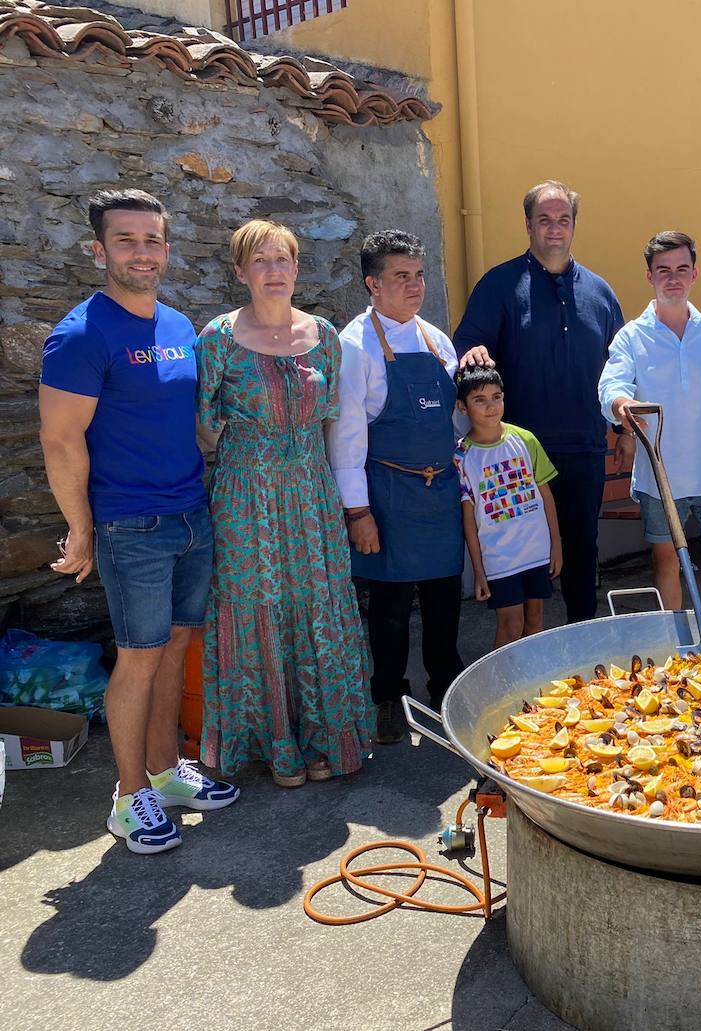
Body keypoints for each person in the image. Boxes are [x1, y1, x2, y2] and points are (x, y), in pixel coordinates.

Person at [39, 188, 237, 854]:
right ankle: (129, 799)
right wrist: (83, 528)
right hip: (132, 526)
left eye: (152, 239)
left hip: (191, 513)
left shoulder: (180, 327)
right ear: (100, 250)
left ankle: (164, 772)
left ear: (167, 249)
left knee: (175, 650)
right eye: (126, 240)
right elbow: (62, 440)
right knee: (138, 659)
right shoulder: (80, 334)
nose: (141, 251)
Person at [197, 220, 371, 787]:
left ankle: (323, 738)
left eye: (284, 261)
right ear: (241, 272)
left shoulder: (323, 335)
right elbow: (203, 429)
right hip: (246, 496)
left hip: (310, 490)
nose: (274, 272)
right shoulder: (217, 339)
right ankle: (274, 744)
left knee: (315, 602)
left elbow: (332, 422)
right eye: (261, 261)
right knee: (257, 606)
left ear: (297, 269)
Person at [456, 181, 627, 624]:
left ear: (574, 225)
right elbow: (467, 344)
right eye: (545, 220)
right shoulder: (498, 285)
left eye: (563, 220)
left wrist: (624, 432)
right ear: (528, 224)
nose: (555, 229)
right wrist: (472, 352)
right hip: (516, 456)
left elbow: (622, 369)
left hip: (585, 446)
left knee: (581, 548)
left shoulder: (601, 293)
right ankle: (530, 653)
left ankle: (583, 644)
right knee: (524, 558)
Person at [325, 231, 465, 745]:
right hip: (387, 495)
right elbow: (346, 437)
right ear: (373, 284)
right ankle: (387, 696)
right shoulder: (354, 345)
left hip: (440, 492)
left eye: (419, 275)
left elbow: (453, 423)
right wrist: (358, 513)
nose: (414, 286)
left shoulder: (436, 340)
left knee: (444, 600)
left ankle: (448, 689)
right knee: (388, 607)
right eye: (401, 277)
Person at [599, 231, 701, 610]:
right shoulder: (631, 337)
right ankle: (681, 657)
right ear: (650, 276)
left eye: (682, 269)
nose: (673, 278)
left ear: (695, 274)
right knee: (667, 565)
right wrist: (621, 406)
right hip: (659, 479)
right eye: (663, 270)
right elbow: (611, 385)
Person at [455, 367, 563, 647]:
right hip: (499, 558)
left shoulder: (525, 440)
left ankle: (533, 684)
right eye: (479, 400)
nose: (491, 406)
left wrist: (556, 545)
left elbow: (546, 496)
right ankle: (501, 686)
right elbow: (469, 520)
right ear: (462, 407)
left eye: (497, 397)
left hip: (536, 550)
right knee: (511, 623)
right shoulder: (462, 457)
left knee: (535, 619)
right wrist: (477, 571)